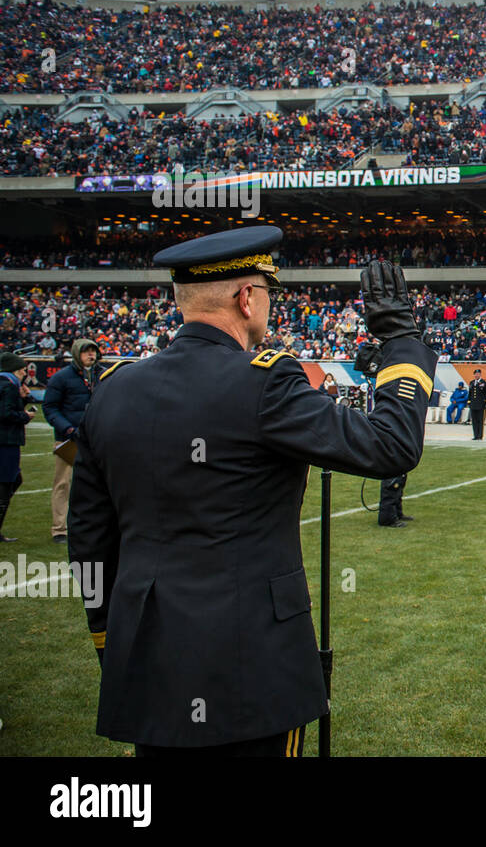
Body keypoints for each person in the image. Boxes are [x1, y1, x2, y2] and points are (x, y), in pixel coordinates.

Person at [68, 228, 436, 755]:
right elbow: (390, 446)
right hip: (254, 660)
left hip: (147, 657)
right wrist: (400, 338)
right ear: (246, 298)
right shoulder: (265, 381)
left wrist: (109, 636)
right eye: (268, 292)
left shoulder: (114, 389)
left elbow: (89, 539)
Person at [42, 338, 102, 544]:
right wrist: (67, 428)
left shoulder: (101, 375)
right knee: (63, 484)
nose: (91, 355)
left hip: (95, 439)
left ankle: (93, 525)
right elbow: (49, 408)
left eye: (93, 351)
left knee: (97, 484)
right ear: (78, 354)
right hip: (68, 440)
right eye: (86, 352)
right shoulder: (61, 378)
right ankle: (59, 529)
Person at [0, 352, 34, 544]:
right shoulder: (9, 386)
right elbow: (6, 414)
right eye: (22, 369)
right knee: (8, 483)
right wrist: (25, 416)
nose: (24, 373)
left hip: (4, 441)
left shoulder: (5, 385)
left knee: (12, 480)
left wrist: (24, 399)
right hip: (7, 441)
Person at [467, 368, 486, 439]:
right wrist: (469, 402)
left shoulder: (484, 382)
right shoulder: (471, 382)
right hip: (473, 404)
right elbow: (470, 393)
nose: (476, 375)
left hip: (481, 404)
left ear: (480, 374)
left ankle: (480, 435)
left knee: (480, 420)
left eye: (478, 374)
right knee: (474, 420)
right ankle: (475, 435)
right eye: (475, 374)